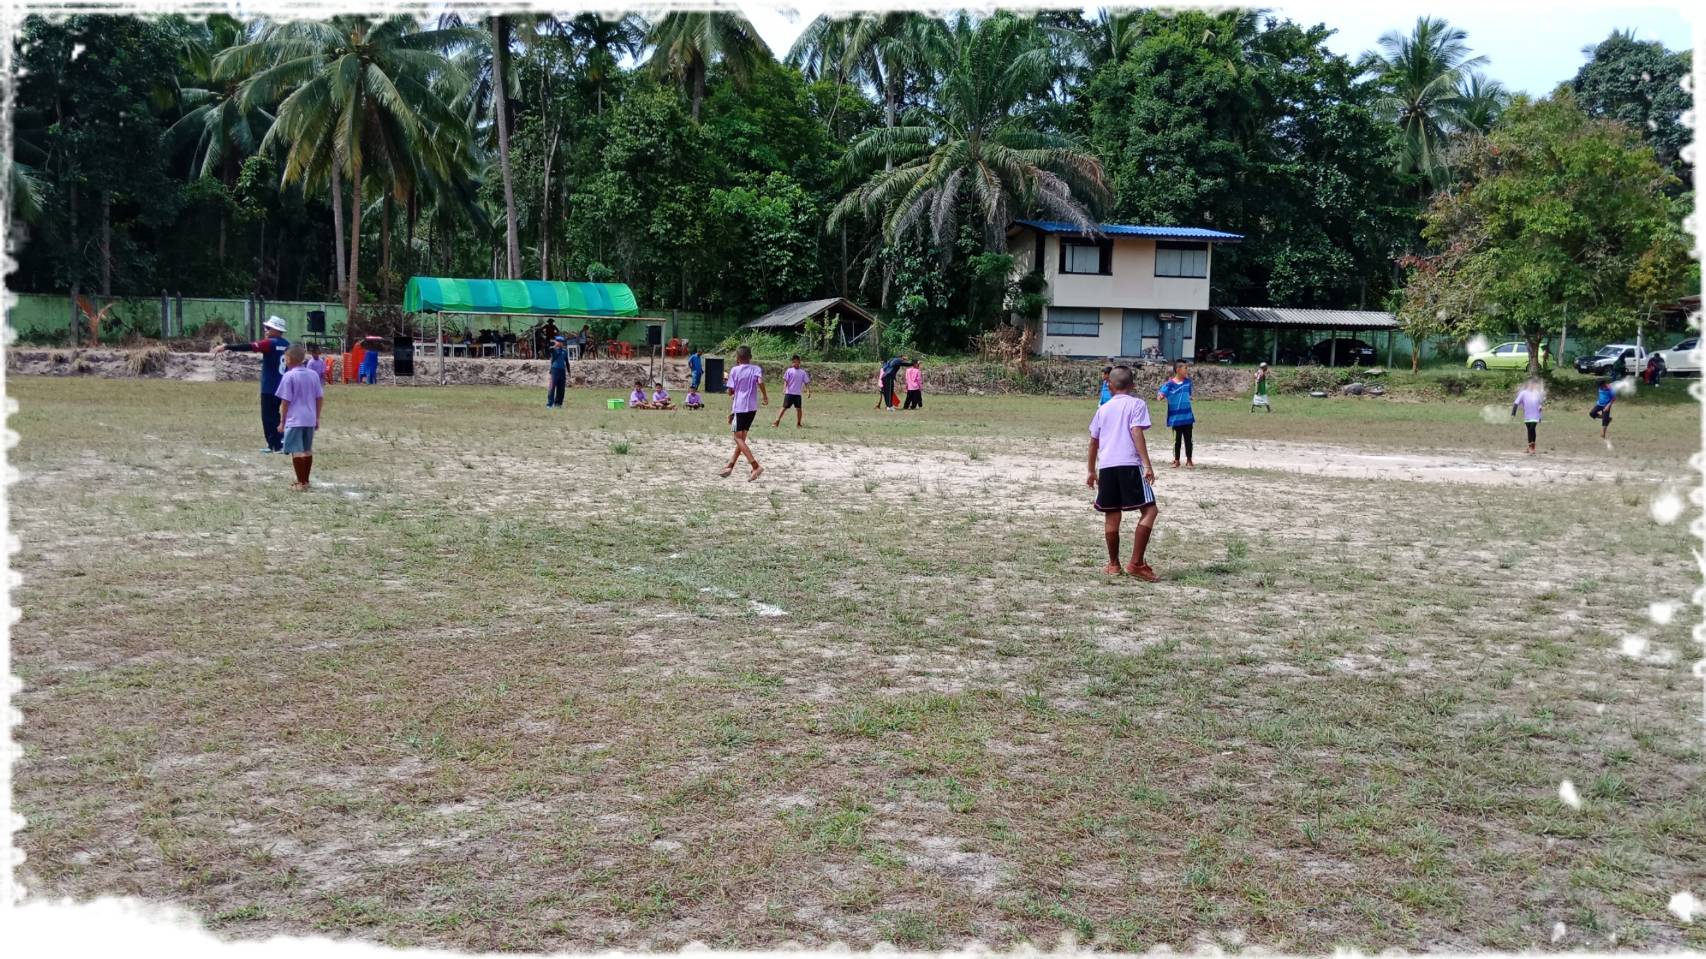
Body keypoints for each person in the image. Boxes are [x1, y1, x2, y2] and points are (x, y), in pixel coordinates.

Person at [1087, 365, 1159, 580]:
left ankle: (1113, 565)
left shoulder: (1103, 409)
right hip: (1129, 465)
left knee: (1112, 513)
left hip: (1107, 466)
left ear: (1109, 385)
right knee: (1150, 510)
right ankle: (1136, 563)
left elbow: (1093, 441)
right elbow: (1136, 431)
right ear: (1133, 385)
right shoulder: (1137, 404)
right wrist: (1147, 465)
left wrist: (1091, 470)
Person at [212, 315, 292, 453]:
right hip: (284, 386)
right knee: (278, 415)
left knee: (268, 416)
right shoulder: (288, 345)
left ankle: (275, 445)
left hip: (269, 387)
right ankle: (281, 441)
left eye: (268, 328)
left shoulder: (269, 343)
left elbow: (249, 346)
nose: (266, 330)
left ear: (277, 330)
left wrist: (226, 347)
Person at [275, 345, 324, 491]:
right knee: (307, 449)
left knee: (296, 450)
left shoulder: (289, 376)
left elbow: (285, 402)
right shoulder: (313, 375)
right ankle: (305, 481)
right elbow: (319, 398)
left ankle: (301, 483)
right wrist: (317, 417)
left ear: (289, 359)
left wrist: (282, 422)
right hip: (309, 418)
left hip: (295, 419)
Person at [722, 345, 767, 481]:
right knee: (742, 438)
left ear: (737, 358)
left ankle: (755, 466)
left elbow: (730, 391)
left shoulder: (735, 370)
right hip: (752, 408)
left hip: (740, 407)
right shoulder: (756, 369)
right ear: (750, 357)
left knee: (737, 438)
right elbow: (760, 382)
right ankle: (730, 466)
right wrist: (765, 396)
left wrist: (732, 409)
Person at [1157, 360, 1196, 468]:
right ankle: (1176, 460)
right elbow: (1160, 394)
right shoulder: (1169, 384)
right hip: (1175, 418)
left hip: (1187, 417)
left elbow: (1188, 395)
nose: (1187, 370)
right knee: (1176, 440)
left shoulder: (1188, 382)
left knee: (1188, 440)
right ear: (1178, 370)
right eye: (1185, 368)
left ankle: (1189, 460)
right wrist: (1161, 396)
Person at [775, 355, 810, 427]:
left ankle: (799, 423)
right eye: (793, 362)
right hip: (789, 393)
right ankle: (777, 421)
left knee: (799, 409)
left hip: (797, 394)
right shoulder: (789, 370)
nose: (794, 363)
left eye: (795, 362)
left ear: (799, 362)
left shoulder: (802, 372)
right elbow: (786, 380)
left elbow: (806, 382)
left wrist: (808, 391)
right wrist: (784, 388)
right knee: (784, 407)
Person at [1511, 378, 1544, 454]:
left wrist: (1540, 414)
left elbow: (1539, 404)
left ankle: (1532, 448)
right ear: (1528, 385)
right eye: (1531, 384)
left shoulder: (1537, 393)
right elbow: (1516, 403)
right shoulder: (1523, 393)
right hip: (1527, 416)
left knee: (1532, 428)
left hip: (1535, 416)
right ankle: (1530, 447)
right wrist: (1513, 413)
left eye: (1534, 385)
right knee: (1529, 430)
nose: (1533, 386)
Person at [545, 335, 569, 408]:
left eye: (562, 342)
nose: (561, 343)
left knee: (561, 388)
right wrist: (555, 345)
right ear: (556, 342)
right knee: (552, 387)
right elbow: (548, 350)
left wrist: (569, 371)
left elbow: (567, 362)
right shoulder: (554, 350)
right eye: (559, 341)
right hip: (555, 370)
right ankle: (550, 404)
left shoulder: (564, 351)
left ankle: (558, 404)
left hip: (562, 371)